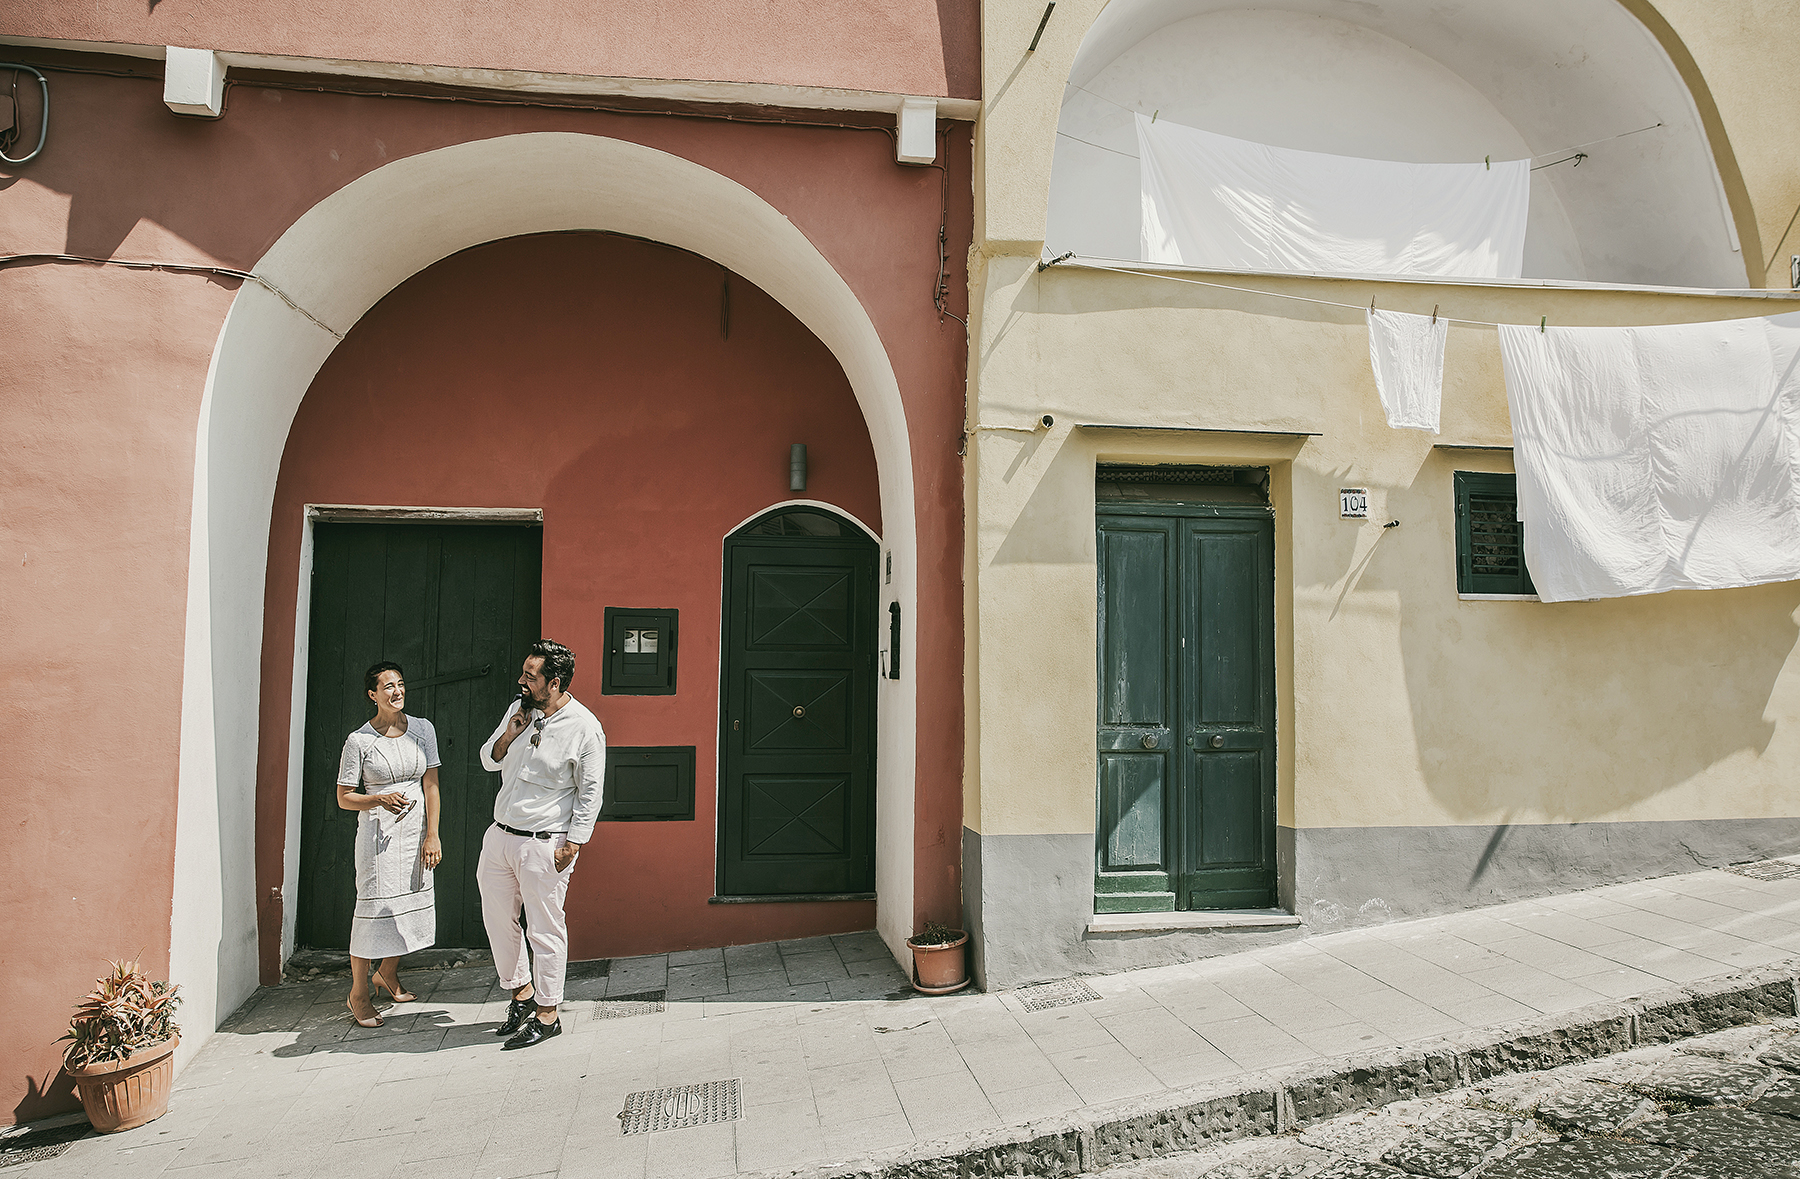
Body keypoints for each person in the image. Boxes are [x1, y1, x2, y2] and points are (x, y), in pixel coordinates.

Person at [477, 639, 605, 1050]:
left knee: (545, 930)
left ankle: (548, 1014)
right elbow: (488, 759)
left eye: (530, 676)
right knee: (498, 921)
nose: (521, 681)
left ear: (555, 683)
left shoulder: (584, 727)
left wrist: (573, 845)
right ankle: (522, 994)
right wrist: (509, 734)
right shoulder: (519, 712)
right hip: (500, 836)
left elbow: (590, 793)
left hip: (544, 843)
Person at [336, 661, 442, 1028]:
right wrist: (378, 799)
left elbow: (431, 785)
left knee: (407, 905)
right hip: (378, 836)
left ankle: (387, 973)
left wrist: (432, 834)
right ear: (373, 695)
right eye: (388, 687)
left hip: (415, 833)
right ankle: (358, 993)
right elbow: (344, 797)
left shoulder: (423, 729)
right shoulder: (359, 741)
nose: (397, 692)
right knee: (373, 910)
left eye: (400, 684)